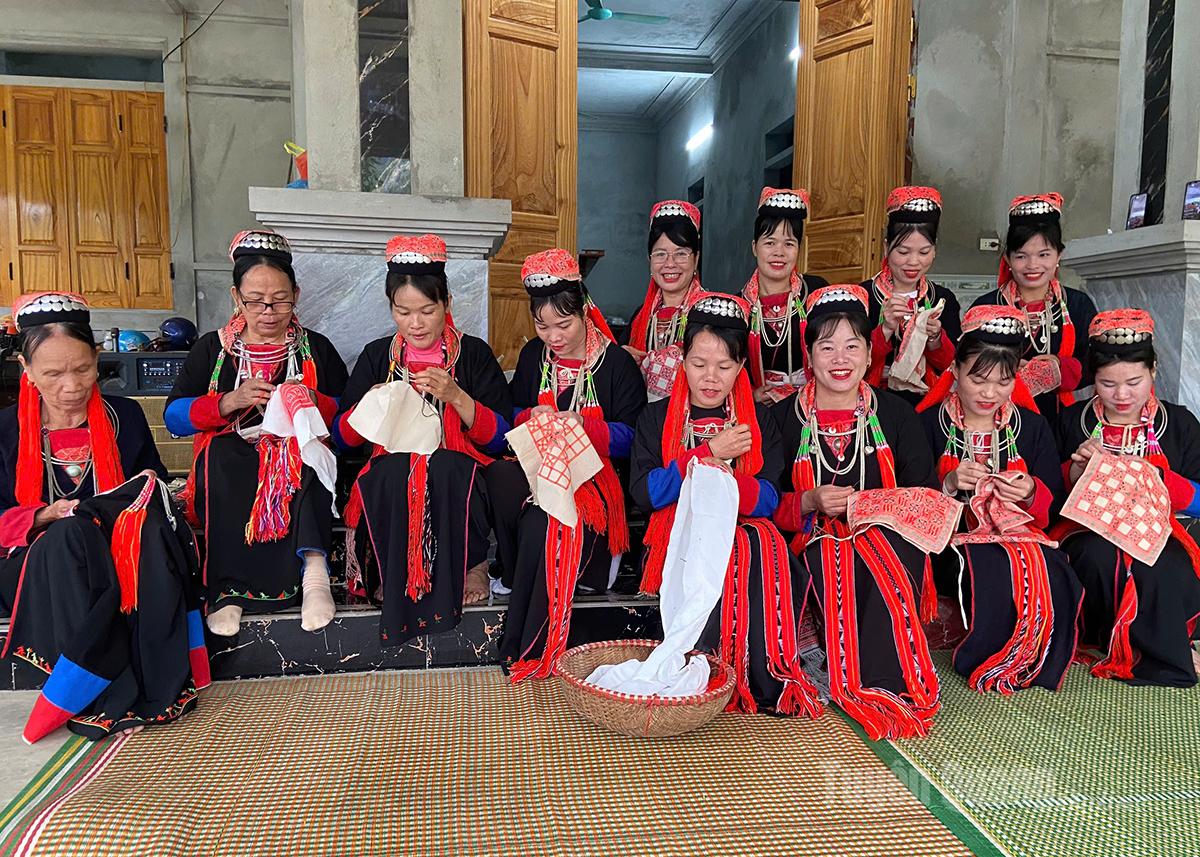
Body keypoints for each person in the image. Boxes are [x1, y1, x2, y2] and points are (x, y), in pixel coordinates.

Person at [0, 292, 209, 743]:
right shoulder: (5, 430)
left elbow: (150, 490)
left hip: (120, 548)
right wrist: (41, 515)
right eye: (53, 374)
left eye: (82, 368)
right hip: (38, 555)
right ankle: (99, 687)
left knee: (149, 533)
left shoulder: (126, 417)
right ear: (26, 368)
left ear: (97, 359)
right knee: (73, 535)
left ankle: (154, 683)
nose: (71, 385)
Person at [630, 293, 820, 714]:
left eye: (725, 366)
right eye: (699, 364)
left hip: (740, 528)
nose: (711, 377)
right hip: (676, 531)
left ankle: (750, 671)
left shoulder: (758, 423)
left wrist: (726, 481)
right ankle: (706, 667)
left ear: (741, 367)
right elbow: (645, 493)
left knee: (756, 542)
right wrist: (706, 454)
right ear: (682, 360)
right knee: (712, 547)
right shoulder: (656, 418)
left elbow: (769, 498)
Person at [773, 284, 941, 739]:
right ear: (809, 356)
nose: (839, 358)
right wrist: (808, 501)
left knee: (877, 550)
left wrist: (875, 510)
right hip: (809, 536)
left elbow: (923, 493)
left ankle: (883, 678)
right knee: (833, 556)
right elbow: (767, 499)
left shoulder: (898, 415)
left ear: (870, 354)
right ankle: (839, 665)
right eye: (827, 347)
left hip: (888, 533)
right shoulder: (783, 418)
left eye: (852, 346)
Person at [165, 230, 348, 636]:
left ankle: (315, 576)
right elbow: (175, 418)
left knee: (307, 454)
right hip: (234, 449)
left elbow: (347, 417)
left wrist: (310, 400)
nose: (268, 311)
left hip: (293, 447)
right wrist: (227, 402)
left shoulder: (315, 347)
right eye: (255, 301)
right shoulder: (212, 348)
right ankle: (230, 593)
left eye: (280, 300)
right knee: (223, 459)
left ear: (296, 295)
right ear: (235, 297)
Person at [333, 234, 512, 645]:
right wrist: (372, 406)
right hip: (393, 468)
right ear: (391, 309)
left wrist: (457, 397)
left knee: (448, 465)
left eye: (427, 310)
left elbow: (501, 439)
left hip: (459, 469)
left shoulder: (474, 355)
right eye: (403, 311)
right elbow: (342, 439)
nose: (416, 324)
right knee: (397, 468)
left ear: (447, 304)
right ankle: (391, 573)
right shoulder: (378, 355)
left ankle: (472, 565)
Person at [486, 249, 645, 680]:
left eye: (564, 323)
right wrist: (531, 419)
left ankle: (529, 639)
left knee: (543, 520)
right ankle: (527, 572)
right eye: (542, 325)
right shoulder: (535, 357)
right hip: (541, 472)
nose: (553, 336)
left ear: (584, 310)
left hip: (591, 481)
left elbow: (633, 437)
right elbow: (512, 418)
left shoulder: (615, 364)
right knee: (499, 476)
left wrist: (584, 426)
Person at [919, 305, 1083, 693]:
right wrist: (949, 483)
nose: (990, 393)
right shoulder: (926, 423)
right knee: (988, 561)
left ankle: (1037, 659)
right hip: (950, 543)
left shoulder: (1033, 426)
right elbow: (908, 494)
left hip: (1020, 534)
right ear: (955, 370)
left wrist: (1028, 491)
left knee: (1052, 565)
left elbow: (1053, 502)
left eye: (1004, 381)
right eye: (978, 380)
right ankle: (990, 659)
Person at [1054, 309, 1200, 687]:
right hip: (1090, 531)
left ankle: (1159, 652)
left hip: (1166, 529)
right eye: (1107, 384)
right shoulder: (1073, 421)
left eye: (1134, 382)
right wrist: (1075, 472)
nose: (1121, 395)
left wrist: (1159, 479)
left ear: (1154, 370)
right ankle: (1135, 644)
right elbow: (1050, 496)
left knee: (1164, 564)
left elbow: (1199, 499)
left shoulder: (1180, 423)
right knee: (1101, 559)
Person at [971, 193, 1096, 419]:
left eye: (1044, 255)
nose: (1033, 265)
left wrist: (1059, 367)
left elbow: (1095, 363)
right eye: (1021, 256)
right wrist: (1004, 369)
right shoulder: (987, 306)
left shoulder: (1077, 305)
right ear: (1007, 259)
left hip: (1060, 419)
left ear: (1059, 255)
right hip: (996, 417)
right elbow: (968, 365)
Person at [864, 186, 961, 406]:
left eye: (924, 252)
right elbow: (851, 360)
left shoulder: (942, 298)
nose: (913, 262)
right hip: (872, 400)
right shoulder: (865, 295)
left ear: (934, 251)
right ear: (886, 248)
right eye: (903, 252)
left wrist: (936, 339)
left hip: (926, 401)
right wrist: (885, 329)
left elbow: (953, 366)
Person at [741, 187, 828, 404]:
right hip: (762, 410)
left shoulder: (816, 293)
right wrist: (751, 394)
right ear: (754, 247)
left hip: (811, 406)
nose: (779, 252)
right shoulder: (739, 305)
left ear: (799, 248)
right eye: (769, 243)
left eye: (789, 244)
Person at [621, 200, 705, 400]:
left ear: (696, 258)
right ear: (650, 260)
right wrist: (624, 359)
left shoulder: (709, 313)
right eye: (660, 254)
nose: (670, 264)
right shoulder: (640, 317)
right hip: (643, 421)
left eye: (681, 254)